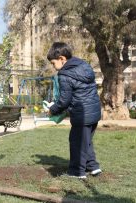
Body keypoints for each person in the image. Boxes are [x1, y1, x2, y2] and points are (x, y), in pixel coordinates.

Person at [47, 42, 102, 179]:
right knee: (86, 141)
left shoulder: (64, 75)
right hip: (94, 112)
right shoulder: (84, 66)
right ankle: (93, 167)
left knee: (77, 142)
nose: (54, 67)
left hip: (81, 114)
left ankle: (76, 172)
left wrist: (52, 110)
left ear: (62, 59)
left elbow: (64, 100)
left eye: (53, 63)